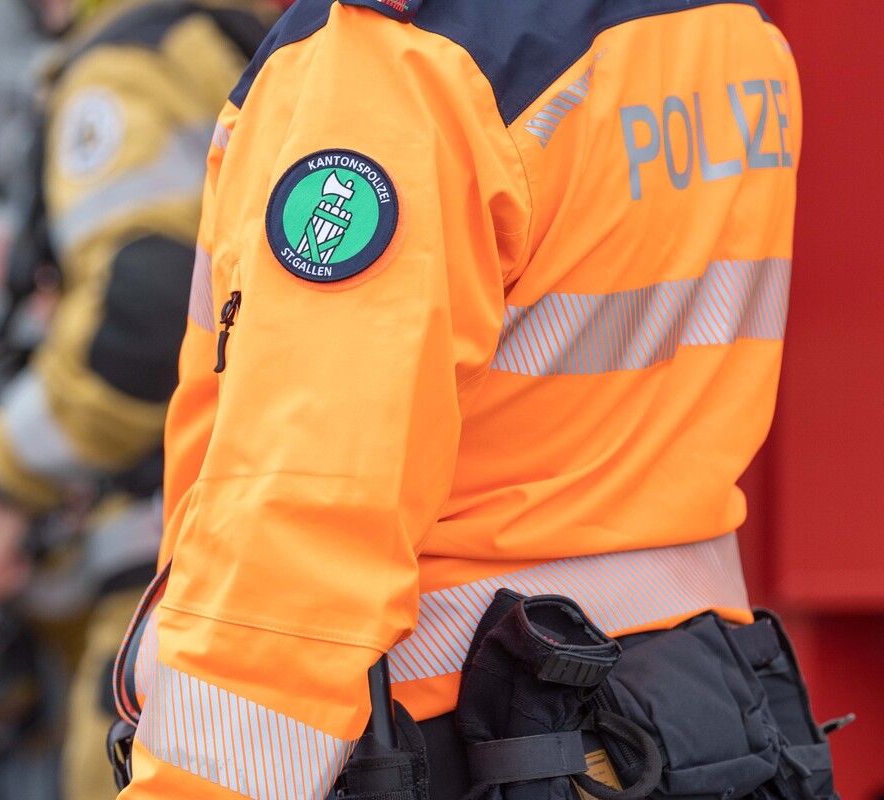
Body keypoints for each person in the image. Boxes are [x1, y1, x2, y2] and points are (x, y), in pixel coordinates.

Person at [110, 1, 837, 798]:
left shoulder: (398, 63)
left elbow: (304, 528)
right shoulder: (728, 23)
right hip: (692, 716)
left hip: (457, 733)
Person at [0, 0, 275, 797]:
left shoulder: (121, 74)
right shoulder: (206, 41)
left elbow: (140, 318)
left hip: (166, 555)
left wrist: (1, 474)